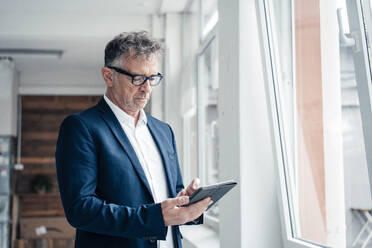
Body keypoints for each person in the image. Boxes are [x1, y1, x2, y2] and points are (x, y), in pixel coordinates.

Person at [55, 31, 211, 248]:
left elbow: (171, 192)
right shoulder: (81, 128)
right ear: (109, 76)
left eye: (153, 78)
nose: (147, 88)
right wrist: (156, 217)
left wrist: (186, 200)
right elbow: (80, 209)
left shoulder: (164, 131)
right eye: (138, 78)